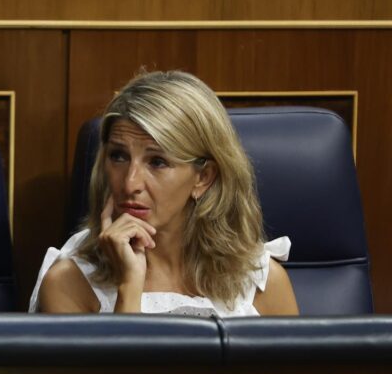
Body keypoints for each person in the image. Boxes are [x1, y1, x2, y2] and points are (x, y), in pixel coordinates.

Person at [30, 70, 299, 317]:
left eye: (157, 162)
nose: (130, 183)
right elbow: (124, 372)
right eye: (118, 156)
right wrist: (128, 288)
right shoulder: (69, 283)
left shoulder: (261, 283)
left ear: (203, 178)